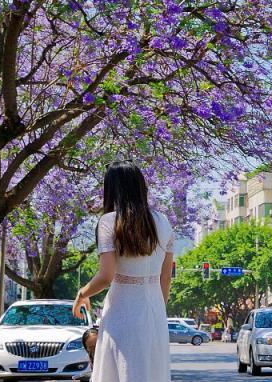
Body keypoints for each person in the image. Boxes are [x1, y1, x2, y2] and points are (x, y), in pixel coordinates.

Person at [72, 162, 173, 382]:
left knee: (119, 372)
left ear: (112, 189)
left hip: (122, 309)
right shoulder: (163, 222)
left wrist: (83, 294)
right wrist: (157, 310)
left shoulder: (109, 222)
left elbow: (106, 276)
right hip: (154, 310)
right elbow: (166, 277)